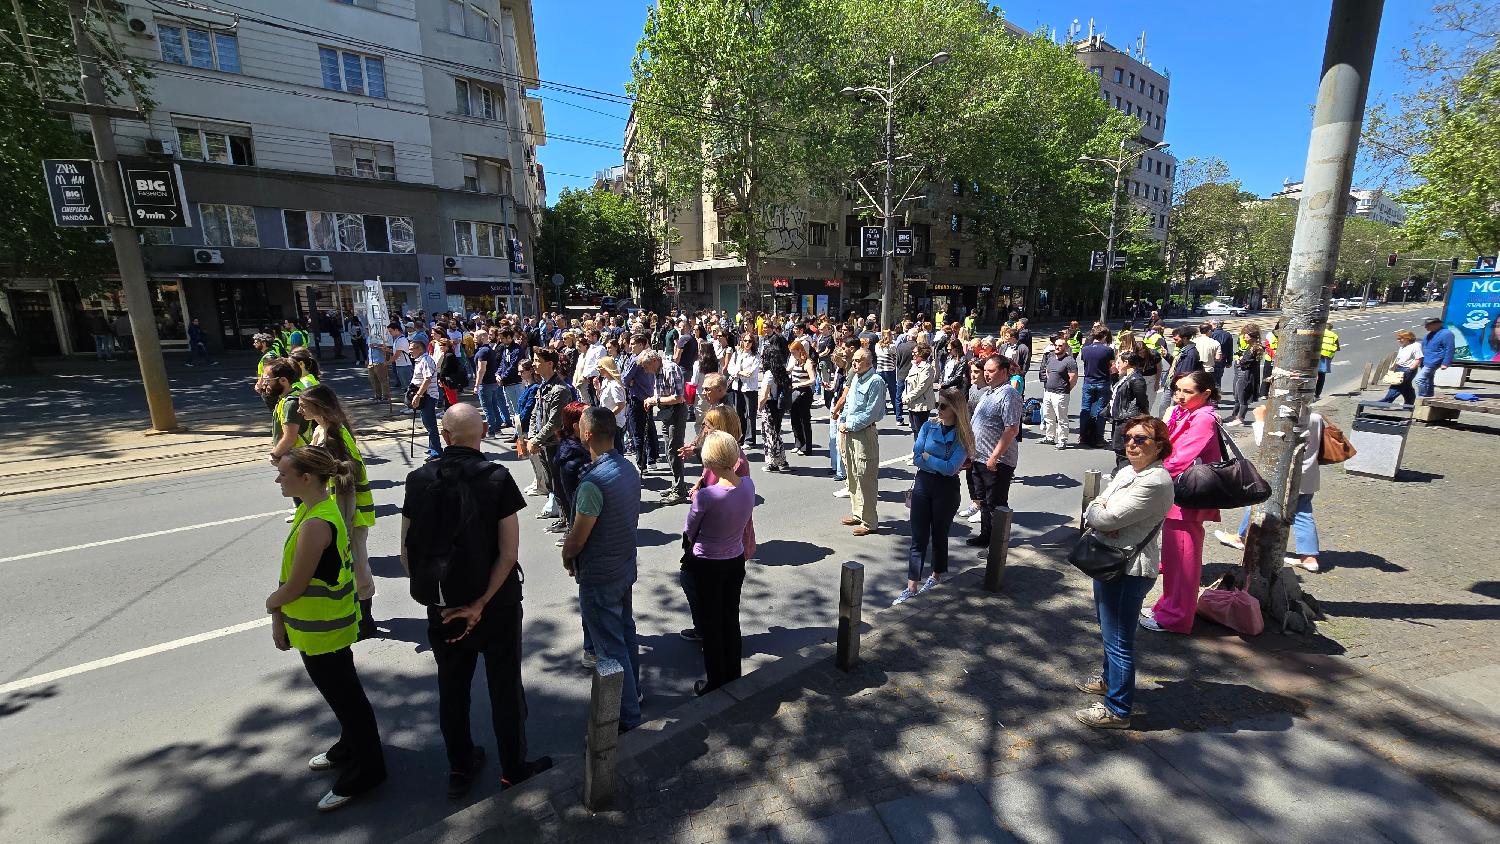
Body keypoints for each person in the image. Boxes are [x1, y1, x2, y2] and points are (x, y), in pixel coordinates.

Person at [400, 404, 552, 796]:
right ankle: (513, 769)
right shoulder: (497, 478)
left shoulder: (418, 480)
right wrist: (481, 603)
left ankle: (460, 766)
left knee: (452, 688)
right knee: (504, 688)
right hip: (496, 604)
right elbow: (508, 553)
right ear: (483, 432)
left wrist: (442, 599)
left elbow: (406, 554)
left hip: (444, 608)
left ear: (444, 435)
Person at [267, 445, 385, 811]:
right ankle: (350, 745)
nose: (278, 479)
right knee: (343, 695)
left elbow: (296, 585)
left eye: (283, 474)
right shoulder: (314, 509)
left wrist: (272, 606)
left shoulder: (317, 522)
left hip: (323, 630)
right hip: (321, 627)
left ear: (306, 478)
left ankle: (369, 769)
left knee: (347, 698)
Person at [1074, 415, 1175, 729]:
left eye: (1141, 439)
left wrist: (1102, 515)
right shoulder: (1129, 471)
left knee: (1118, 640)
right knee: (1109, 632)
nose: (1132, 444)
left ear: (1159, 446)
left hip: (1129, 569)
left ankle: (1117, 710)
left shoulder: (1155, 481)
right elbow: (1098, 505)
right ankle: (1109, 681)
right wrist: (1101, 512)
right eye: (1128, 437)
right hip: (1110, 561)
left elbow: (1104, 517)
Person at [561, 408, 643, 730]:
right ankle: (634, 694)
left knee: (609, 649)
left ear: (587, 435)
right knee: (625, 632)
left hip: (600, 575)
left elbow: (578, 537)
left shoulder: (593, 483)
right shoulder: (628, 468)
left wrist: (568, 555)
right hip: (624, 566)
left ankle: (627, 717)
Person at [1142, 370, 1223, 634]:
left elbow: (1181, 458)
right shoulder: (1186, 413)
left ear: (1206, 394)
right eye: (1177, 389)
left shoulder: (1203, 419)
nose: (1180, 396)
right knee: (1174, 558)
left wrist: (1149, 474)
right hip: (1179, 493)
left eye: (1188, 391)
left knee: (1183, 559)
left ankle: (1176, 617)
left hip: (1188, 496)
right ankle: (1168, 606)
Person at [298, 385, 378, 640]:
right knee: (348, 565)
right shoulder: (320, 430)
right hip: (337, 513)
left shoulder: (335, 437)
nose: (299, 410)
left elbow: (346, 487)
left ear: (318, 407)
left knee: (358, 564)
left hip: (350, 514)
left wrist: (343, 524)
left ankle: (367, 621)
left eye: (303, 405)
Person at [682, 430, 757, 695]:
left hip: (708, 563)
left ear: (710, 460)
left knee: (711, 623)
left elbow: (690, 530)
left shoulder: (706, 496)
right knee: (730, 618)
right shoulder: (748, 485)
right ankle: (733, 674)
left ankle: (715, 681)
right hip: (735, 559)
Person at [1215, 405, 1325, 573]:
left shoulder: (1286, 416)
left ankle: (1241, 537)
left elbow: (1269, 447)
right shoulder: (1316, 417)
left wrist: (1260, 420)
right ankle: (1309, 557)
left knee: (1257, 503)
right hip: (1308, 474)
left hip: (1283, 475)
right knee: (1303, 513)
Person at [893, 386, 974, 605]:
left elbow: (951, 469)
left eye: (943, 406)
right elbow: (917, 457)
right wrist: (935, 461)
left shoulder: (963, 435)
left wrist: (930, 458)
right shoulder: (928, 426)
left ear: (955, 408)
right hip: (923, 484)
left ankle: (936, 575)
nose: (938, 409)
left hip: (946, 489)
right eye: (937, 404)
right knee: (918, 537)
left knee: (939, 535)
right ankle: (911, 586)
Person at [965, 355, 1022, 549]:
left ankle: (998, 544)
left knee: (996, 503)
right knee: (984, 501)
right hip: (979, 457)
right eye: (986, 371)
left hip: (997, 461)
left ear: (1004, 372)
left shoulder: (1009, 394)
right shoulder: (989, 393)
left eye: (991, 371)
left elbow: (1011, 429)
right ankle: (986, 536)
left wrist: (994, 457)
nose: (987, 374)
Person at [837, 348, 887, 536]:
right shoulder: (856, 378)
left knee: (866, 477)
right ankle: (858, 513)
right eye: (854, 360)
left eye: (858, 360)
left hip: (864, 433)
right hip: (849, 432)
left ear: (868, 362)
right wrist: (842, 421)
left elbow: (872, 412)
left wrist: (849, 425)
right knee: (852, 475)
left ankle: (869, 522)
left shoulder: (876, 381)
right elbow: (849, 404)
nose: (854, 363)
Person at [641, 349, 690, 502]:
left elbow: (678, 397)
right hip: (666, 412)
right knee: (670, 451)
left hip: (676, 412)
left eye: (646, 366)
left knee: (674, 450)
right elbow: (662, 393)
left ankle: (680, 490)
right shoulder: (658, 371)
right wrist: (652, 399)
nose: (645, 370)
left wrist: (655, 401)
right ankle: (677, 484)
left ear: (654, 361)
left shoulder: (670, 369)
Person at [1107, 353, 1151, 469]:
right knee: (1117, 446)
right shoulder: (1126, 377)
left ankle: (1124, 471)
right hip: (1119, 416)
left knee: (1122, 448)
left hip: (1126, 418)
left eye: (1119, 362)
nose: (1117, 365)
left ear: (1126, 363)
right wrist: (1114, 375)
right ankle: (1119, 470)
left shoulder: (1136, 379)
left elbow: (1142, 400)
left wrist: (1142, 415)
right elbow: (1117, 393)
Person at [759, 337, 792, 472]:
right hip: (779, 405)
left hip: (769, 405)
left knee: (769, 434)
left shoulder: (769, 374)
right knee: (776, 433)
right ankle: (782, 460)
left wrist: (759, 407)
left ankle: (772, 462)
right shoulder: (781, 371)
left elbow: (764, 394)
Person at [1038, 336, 1078, 449]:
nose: (1057, 347)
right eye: (1056, 345)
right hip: (1048, 392)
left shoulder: (1069, 361)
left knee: (1061, 418)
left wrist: (1066, 389)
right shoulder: (1051, 358)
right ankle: (1050, 437)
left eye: (1060, 346)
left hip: (1061, 394)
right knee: (1048, 416)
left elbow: (1073, 378)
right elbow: (1048, 371)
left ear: (1065, 347)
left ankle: (1062, 440)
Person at [1079, 328, 1115, 448]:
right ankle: (1099, 437)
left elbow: (1085, 362)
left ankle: (1083, 436)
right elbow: (1112, 366)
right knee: (1101, 410)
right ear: (1103, 336)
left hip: (1088, 381)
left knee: (1085, 409)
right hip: (1102, 381)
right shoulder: (1108, 350)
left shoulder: (1085, 349)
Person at [408, 338, 443, 460]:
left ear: (420, 349)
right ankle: (432, 447)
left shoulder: (426, 360)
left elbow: (427, 379)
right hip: (424, 395)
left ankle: (436, 451)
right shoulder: (420, 360)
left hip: (427, 396)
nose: (410, 351)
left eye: (412, 349)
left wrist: (418, 395)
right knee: (427, 422)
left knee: (430, 423)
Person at [1226, 324, 1263, 426]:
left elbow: (1244, 362)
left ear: (1252, 337)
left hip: (1246, 375)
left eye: (1246, 336)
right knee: (1238, 396)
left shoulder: (1254, 348)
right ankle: (1235, 415)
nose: (1244, 338)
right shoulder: (1252, 347)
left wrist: (1239, 360)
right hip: (1243, 373)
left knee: (1242, 397)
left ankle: (1240, 418)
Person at [729, 333, 761, 448]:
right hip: (737, 386)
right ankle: (740, 438)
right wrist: (740, 372)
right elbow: (730, 368)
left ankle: (750, 440)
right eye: (745, 340)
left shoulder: (755, 355)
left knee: (750, 414)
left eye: (749, 341)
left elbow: (752, 373)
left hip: (749, 388)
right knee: (738, 413)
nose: (747, 343)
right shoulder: (736, 354)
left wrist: (738, 373)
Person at [1377, 329, 1422, 405]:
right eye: (1398, 339)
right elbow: (1399, 359)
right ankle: (1409, 404)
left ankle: (1385, 402)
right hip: (1399, 368)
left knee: (1397, 386)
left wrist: (1411, 368)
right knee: (1407, 388)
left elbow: (1418, 359)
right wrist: (1394, 367)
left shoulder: (1416, 346)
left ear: (1407, 338)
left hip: (1408, 369)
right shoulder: (1402, 347)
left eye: (1401, 338)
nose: (1399, 340)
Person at [788, 341, 817, 456]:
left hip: (804, 393)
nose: (792, 355)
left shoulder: (808, 363)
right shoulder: (796, 362)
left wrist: (799, 384)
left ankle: (806, 446)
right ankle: (798, 443)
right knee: (794, 419)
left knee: (804, 420)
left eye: (794, 352)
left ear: (800, 350)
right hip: (794, 393)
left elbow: (813, 379)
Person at [1414, 316, 1454, 399]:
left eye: (1428, 325)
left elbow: (1450, 349)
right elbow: (1424, 346)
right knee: (1428, 380)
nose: (1426, 327)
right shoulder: (1429, 334)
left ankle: (1422, 396)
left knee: (1419, 379)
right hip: (1425, 360)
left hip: (1434, 360)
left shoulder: (1446, 334)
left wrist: (1446, 363)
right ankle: (1429, 396)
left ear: (1437, 324)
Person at [597, 356, 628, 453]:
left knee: (616, 449)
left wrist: (609, 416)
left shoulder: (615, 385)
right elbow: (603, 400)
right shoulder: (605, 381)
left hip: (614, 423)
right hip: (607, 422)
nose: (598, 369)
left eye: (600, 367)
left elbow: (621, 405)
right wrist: (597, 389)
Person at [473, 331, 502, 435]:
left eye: (475, 337)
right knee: (494, 406)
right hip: (492, 383)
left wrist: (477, 385)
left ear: (482, 337)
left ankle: (491, 430)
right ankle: (497, 428)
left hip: (485, 383)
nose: (474, 339)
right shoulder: (489, 350)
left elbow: (481, 369)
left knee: (487, 408)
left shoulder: (483, 352)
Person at [903, 344, 936, 437]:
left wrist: (908, 397)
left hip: (921, 404)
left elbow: (921, 387)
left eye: (915, 352)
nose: (913, 354)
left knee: (920, 431)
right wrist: (904, 395)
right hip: (912, 403)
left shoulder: (927, 368)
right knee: (914, 429)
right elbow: (908, 383)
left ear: (922, 353)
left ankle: (921, 446)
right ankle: (917, 446)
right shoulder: (914, 366)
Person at [1314, 319, 1340, 400]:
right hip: (1326, 357)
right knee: (1321, 375)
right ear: (1331, 328)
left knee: (1311, 374)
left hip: (1315, 355)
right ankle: (1317, 394)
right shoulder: (1334, 335)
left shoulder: (1318, 332)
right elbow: (1337, 348)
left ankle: (1309, 392)